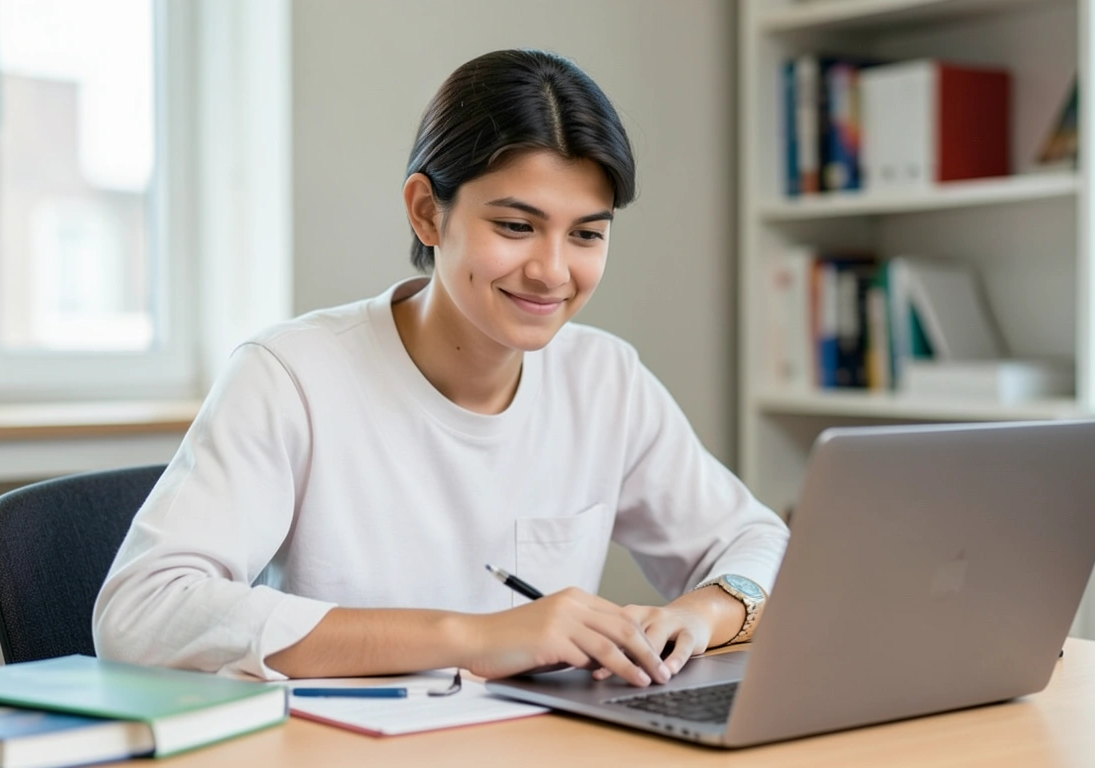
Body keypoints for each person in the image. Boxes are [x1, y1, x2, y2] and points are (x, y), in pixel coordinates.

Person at [93, 49, 789, 689]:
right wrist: (472, 638)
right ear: (428, 213)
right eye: (516, 226)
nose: (552, 271)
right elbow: (141, 611)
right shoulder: (290, 375)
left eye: (586, 234)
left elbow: (759, 544)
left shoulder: (605, 378)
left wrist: (704, 615)